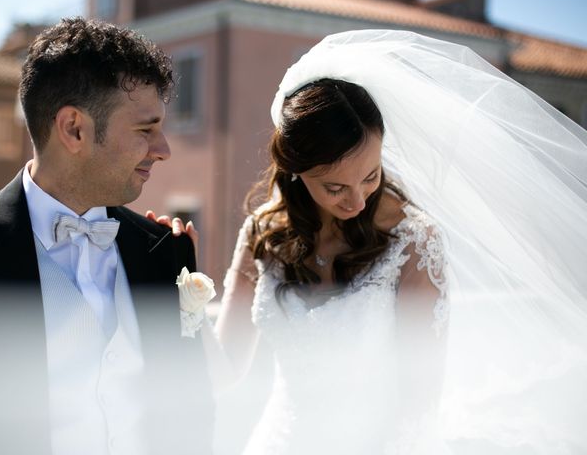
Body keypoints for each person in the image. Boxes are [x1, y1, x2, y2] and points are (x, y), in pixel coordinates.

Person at [207, 30, 587, 454]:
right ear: (295, 169)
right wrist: (182, 299)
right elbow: (225, 368)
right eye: (334, 187)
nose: (356, 199)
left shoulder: (413, 241)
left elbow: (418, 402)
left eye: (370, 176)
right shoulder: (263, 233)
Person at [0, 17, 212, 455]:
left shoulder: (166, 250)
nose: (163, 149)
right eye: (145, 130)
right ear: (74, 129)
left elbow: (192, 409)